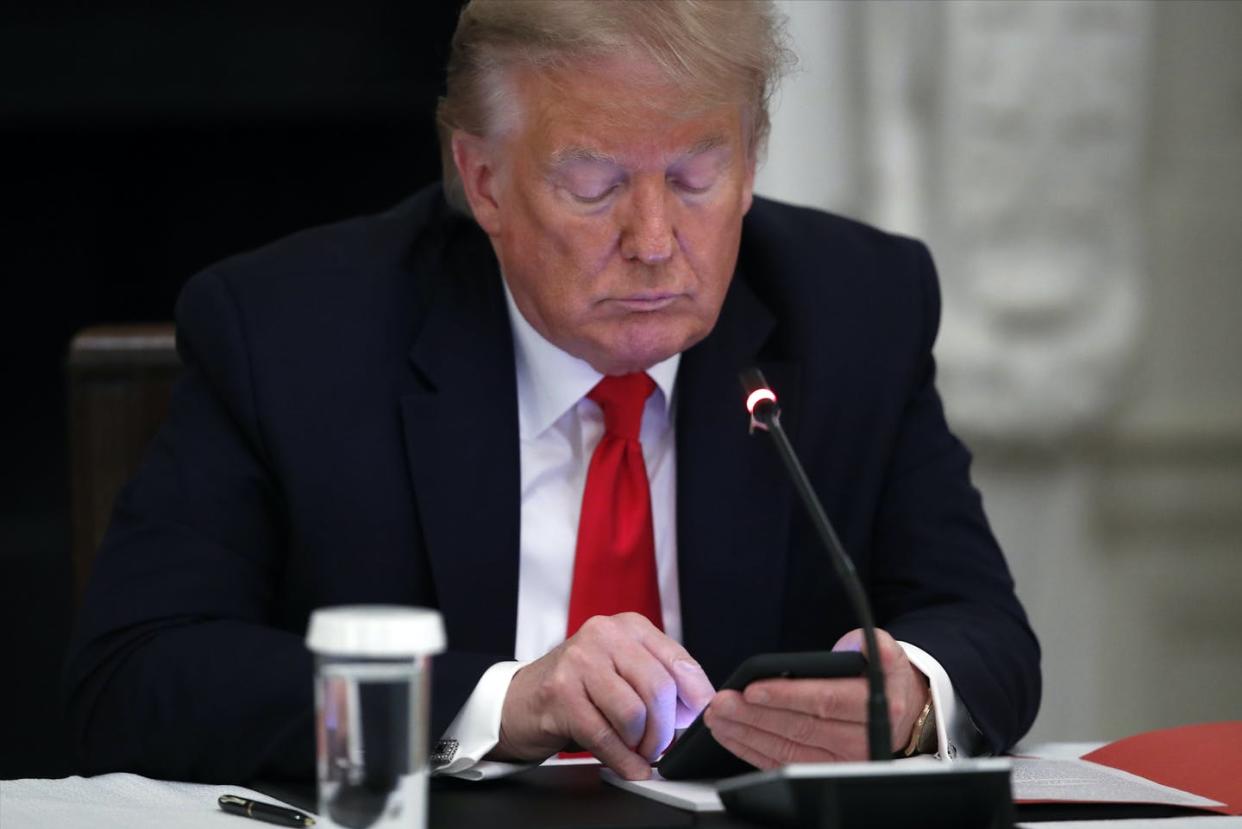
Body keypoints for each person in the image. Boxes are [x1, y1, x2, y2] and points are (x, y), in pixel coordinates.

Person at [65, 0, 1040, 784]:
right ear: (482, 179)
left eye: (699, 175)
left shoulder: (857, 311)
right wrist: (499, 700)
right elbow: (132, 676)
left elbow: (983, 628)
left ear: (750, 165)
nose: (655, 238)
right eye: (595, 182)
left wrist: (910, 693)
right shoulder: (291, 334)